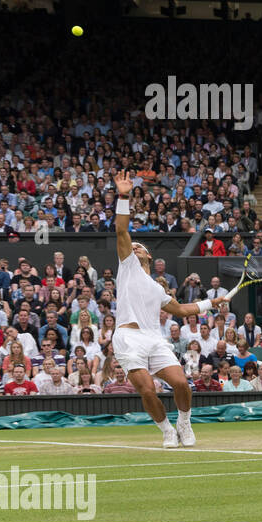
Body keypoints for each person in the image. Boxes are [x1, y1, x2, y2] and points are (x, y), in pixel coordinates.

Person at [112, 171, 229, 447]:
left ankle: (184, 424)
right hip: (128, 338)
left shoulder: (157, 289)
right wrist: (124, 196)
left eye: (140, 247)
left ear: (149, 256)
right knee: (147, 390)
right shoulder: (127, 265)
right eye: (133, 246)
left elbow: (181, 309)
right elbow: (121, 230)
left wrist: (211, 303)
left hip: (154, 339)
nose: (135, 248)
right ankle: (166, 430)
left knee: (181, 385)